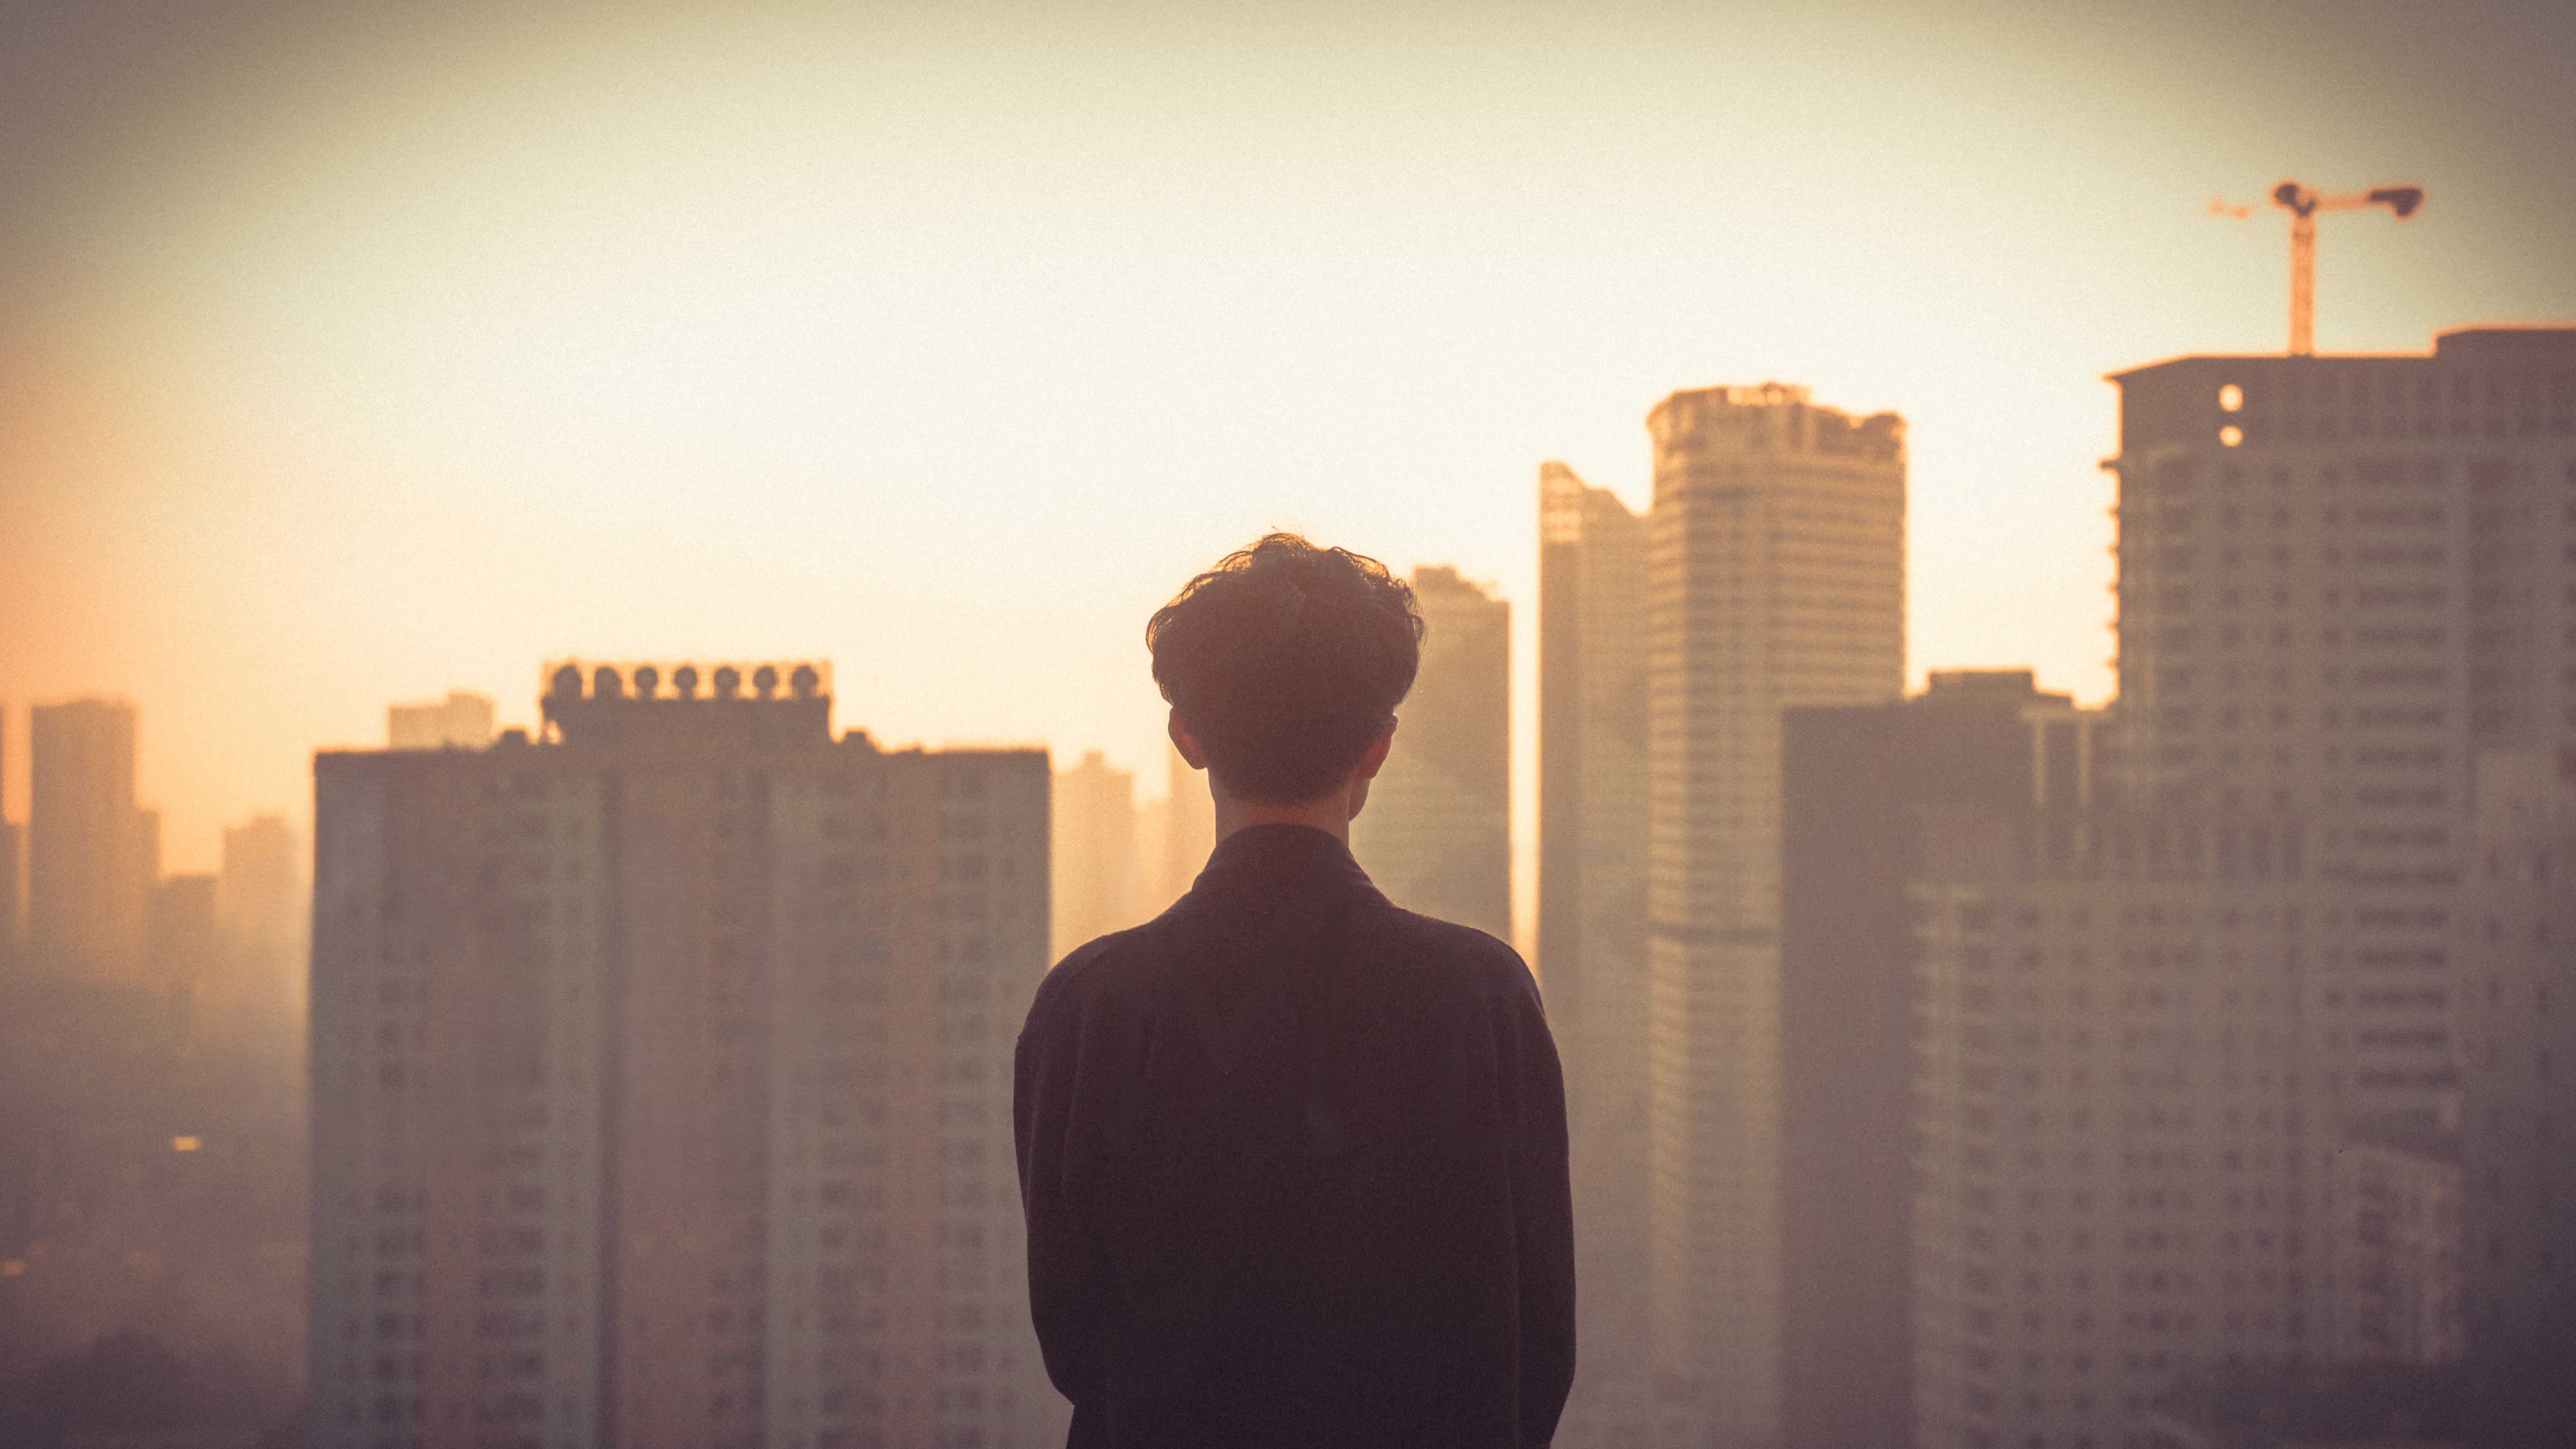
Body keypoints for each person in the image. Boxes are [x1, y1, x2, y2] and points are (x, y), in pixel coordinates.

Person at [1014, 533, 1575, 1448]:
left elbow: (1074, 1341)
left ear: (1187, 737)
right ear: (1376, 749)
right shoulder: (1484, 999)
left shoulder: (1093, 1007)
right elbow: (1539, 1345)